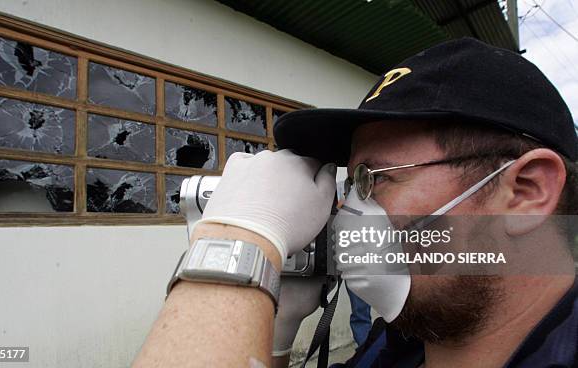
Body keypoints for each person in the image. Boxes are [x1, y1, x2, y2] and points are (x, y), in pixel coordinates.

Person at [132, 38, 577, 368]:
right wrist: (276, 332)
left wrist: (238, 251)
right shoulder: (398, 344)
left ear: (525, 192)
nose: (347, 213)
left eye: (372, 178)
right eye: (351, 182)